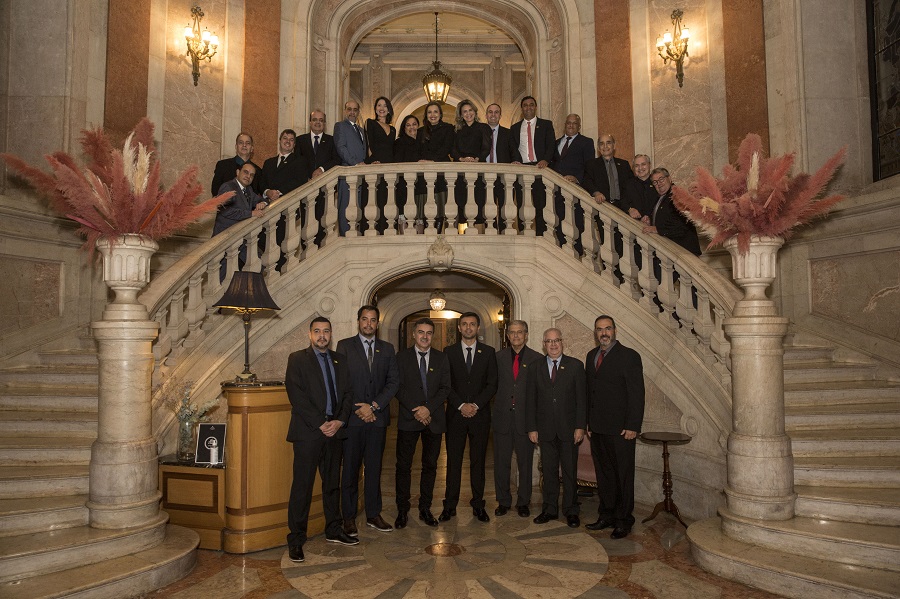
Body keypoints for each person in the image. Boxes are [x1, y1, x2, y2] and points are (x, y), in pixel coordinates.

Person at [285, 317, 357, 564]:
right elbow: (296, 395)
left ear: (331, 334)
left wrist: (340, 421)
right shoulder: (297, 359)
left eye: (326, 331)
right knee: (302, 487)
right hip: (308, 433)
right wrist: (320, 422)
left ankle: (334, 529)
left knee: (332, 485)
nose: (322, 335)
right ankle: (296, 539)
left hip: (335, 431)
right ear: (310, 334)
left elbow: (348, 394)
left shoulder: (340, 360)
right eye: (317, 331)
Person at [336, 305, 400, 536]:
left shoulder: (387, 348)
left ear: (377, 323)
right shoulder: (344, 346)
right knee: (350, 471)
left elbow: (393, 382)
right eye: (365, 319)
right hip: (353, 420)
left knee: (374, 469)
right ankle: (349, 517)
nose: (368, 324)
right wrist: (359, 408)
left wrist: (373, 406)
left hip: (377, 420)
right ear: (358, 321)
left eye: (373, 320)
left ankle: (373, 514)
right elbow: (342, 383)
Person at [585, 315, 645, 540]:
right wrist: (588, 422)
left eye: (607, 328)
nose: (604, 333)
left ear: (615, 331)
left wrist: (632, 425)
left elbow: (637, 394)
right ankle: (607, 515)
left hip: (621, 430)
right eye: (599, 329)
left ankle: (623, 520)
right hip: (597, 428)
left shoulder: (629, 356)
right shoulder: (591, 356)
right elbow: (590, 392)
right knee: (604, 476)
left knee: (623, 476)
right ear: (595, 332)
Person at [440, 312, 498, 524]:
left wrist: (475, 405)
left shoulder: (488, 352)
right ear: (459, 328)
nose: (468, 327)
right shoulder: (449, 352)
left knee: (478, 462)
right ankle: (449, 506)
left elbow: (492, 384)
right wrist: (460, 405)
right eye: (464, 324)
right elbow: (446, 383)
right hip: (455, 416)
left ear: (478, 327)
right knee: (453, 462)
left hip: (480, 416)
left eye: (472, 324)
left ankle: (479, 505)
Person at [525, 328, 586, 528]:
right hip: (545, 430)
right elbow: (530, 400)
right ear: (544, 344)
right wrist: (532, 428)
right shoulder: (535, 367)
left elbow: (581, 400)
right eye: (549, 341)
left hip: (569, 430)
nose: (553, 345)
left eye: (556, 340)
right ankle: (549, 509)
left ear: (562, 342)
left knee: (569, 472)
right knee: (549, 471)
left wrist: (580, 426)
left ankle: (571, 510)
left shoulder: (576, 366)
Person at [394, 317, 451, 529]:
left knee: (430, 466)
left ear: (432, 335)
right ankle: (402, 510)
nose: (424, 336)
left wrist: (428, 408)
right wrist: (417, 409)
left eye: (428, 333)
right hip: (409, 419)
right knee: (403, 466)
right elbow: (397, 387)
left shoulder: (441, 358)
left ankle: (425, 508)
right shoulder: (401, 357)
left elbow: (445, 388)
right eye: (421, 332)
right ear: (413, 334)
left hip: (434, 420)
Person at [492, 319, 541, 518]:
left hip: (525, 421)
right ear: (507, 336)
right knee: (501, 463)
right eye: (512, 332)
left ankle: (523, 502)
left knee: (525, 464)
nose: (516, 336)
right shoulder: (497, 358)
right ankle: (503, 501)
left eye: (520, 332)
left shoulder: (537, 359)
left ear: (526, 335)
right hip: (502, 419)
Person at [510, 96, 556, 234]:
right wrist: (516, 160)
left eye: (531, 105)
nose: (528, 107)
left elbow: (551, 145)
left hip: (540, 168)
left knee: (540, 203)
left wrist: (546, 160)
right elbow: (513, 148)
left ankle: (541, 233)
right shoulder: (515, 128)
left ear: (535, 107)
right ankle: (523, 232)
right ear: (522, 108)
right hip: (522, 169)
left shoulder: (546, 125)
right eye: (525, 105)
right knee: (522, 204)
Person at [297, 110, 341, 246]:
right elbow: (296, 163)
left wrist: (321, 169)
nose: (318, 122)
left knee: (322, 220)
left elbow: (336, 160)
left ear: (325, 123)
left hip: (325, 188)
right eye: (315, 119)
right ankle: (306, 248)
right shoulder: (300, 140)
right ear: (310, 122)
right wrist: (306, 177)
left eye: (321, 120)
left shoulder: (331, 140)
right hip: (306, 188)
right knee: (306, 222)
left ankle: (320, 247)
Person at [551, 114, 594, 248]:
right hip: (557, 190)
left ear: (579, 126)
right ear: (565, 125)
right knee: (558, 221)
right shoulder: (556, 142)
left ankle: (577, 251)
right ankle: (561, 248)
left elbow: (590, 166)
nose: (571, 125)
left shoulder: (586, 142)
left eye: (574, 123)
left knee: (576, 223)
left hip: (575, 190)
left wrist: (577, 178)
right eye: (568, 123)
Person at [642, 167, 702, 256]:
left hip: (684, 251)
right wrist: (650, 220)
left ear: (669, 178)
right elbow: (665, 218)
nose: (659, 184)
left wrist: (658, 229)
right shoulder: (659, 198)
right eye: (655, 182)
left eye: (661, 179)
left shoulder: (677, 196)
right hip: (670, 251)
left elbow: (681, 226)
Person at [451, 100, 491, 227]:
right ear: (461, 114)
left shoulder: (483, 128)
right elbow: (453, 149)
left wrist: (477, 159)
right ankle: (462, 233)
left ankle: (478, 233)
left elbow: (486, 148)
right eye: (465, 111)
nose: (468, 114)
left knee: (478, 200)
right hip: (460, 171)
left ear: (475, 111)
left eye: (470, 110)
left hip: (478, 170)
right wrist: (461, 159)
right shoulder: (456, 130)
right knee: (461, 201)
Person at [416, 101, 454, 231]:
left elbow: (447, 148)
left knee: (440, 208)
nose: (433, 115)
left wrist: (432, 161)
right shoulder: (420, 131)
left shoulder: (448, 128)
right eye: (429, 112)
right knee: (425, 207)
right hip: (424, 173)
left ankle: (437, 235)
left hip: (441, 173)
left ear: (440, 114)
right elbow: (418, 151)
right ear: (426, 115)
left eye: (435, 112)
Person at [333, 100, 368, 235]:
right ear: (345, 111)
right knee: (346, 208)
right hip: (348, 173)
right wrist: (355, 164)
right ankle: (345, 236)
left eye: (355, 110)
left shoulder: (361, 130)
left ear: (358, 112)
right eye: (349, 109)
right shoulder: (340, 126)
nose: (352, 112)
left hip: (361, 174)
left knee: (358, 208)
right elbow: (341, 148)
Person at [484, 103, 519, 232]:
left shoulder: (508, 133)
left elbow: (514, 151)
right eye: (490, 112)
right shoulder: (480, 132)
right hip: (485, 176)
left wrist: (516, 161)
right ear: (486, 115)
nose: (493, 115)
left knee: (505, 207)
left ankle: (504, 234)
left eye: (496, 112)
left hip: (503, 177)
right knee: (488, 208)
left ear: (500, 115)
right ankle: (490, 233)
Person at [364, 97, 396, 233]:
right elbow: (369, 143)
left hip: (389, 168)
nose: (382, 108)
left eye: (385, 105)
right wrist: (372, 161)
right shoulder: (370, 123)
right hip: (376, 164)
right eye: (379, 105)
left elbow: (392, 149)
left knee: (387, 199)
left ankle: (386, 230)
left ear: (388, 109)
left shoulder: (393, 129)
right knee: (374, 199)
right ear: (375, 109)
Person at [583, 134, 634, 212]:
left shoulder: (624, 165)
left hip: (622, 209)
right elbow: (587, 182)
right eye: (602, 144)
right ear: (598, 148)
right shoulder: (591, 164)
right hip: (601, 207)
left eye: (608, 143)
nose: (605, 146)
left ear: (614, 146)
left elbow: (631, 186)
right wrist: (596, 193)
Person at [213, 162, 267, 236]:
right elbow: (225, 210)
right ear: (238, 172)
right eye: (246, 172)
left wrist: (263, 203)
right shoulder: (228, 187)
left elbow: (262, 200)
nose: (248, 176)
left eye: (251, 175)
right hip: (224, 236)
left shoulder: (248, 189)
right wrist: (251, 213)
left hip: (240, 236)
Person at [257, 129, 310, 203]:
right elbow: (262, 182)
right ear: (280, 141)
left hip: (288, 203)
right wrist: (267, 192)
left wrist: (278, 193)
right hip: (268, 204)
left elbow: (300, 181)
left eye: (291, 140)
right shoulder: (268, 163)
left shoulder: (300, 161)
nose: (288, 141)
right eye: (285, 138)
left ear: (294, 144)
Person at [394, 115, 425, 228]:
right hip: (404, 184)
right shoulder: (399, 142)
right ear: (404, 128)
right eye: (408, 125)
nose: (411, 127)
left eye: (414, 124)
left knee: (420, 217)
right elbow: (398, 162)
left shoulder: (423, 142)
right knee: (404, 216)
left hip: (421, 184)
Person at [211, 132, 261, 197]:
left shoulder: (258, 171)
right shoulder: (223, 165)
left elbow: (257, 195)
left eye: (248, 143)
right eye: (241, 143)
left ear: (252, 148)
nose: (244, 145)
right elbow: (215, 190)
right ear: (236, 147)